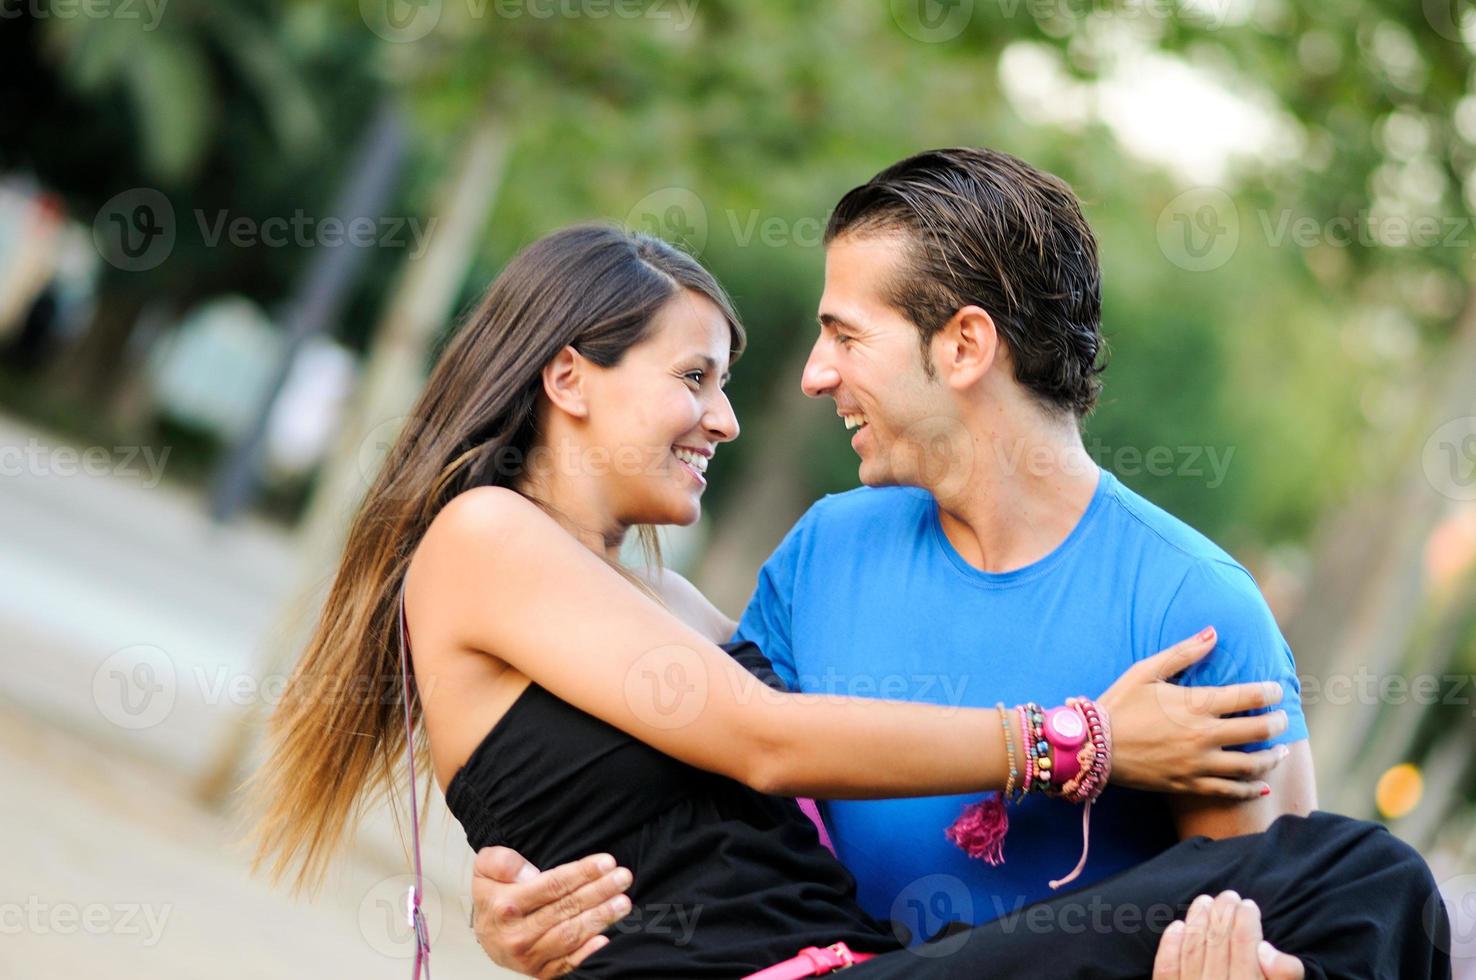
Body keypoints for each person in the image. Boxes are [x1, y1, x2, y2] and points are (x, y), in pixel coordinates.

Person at [251, 223, 1446, 978]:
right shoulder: (481, 533)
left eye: (729, 383)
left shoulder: (664, 604)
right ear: (568, 376)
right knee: (1370, 880)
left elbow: (785, 746)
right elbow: (766, 740)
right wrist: (1081, 738)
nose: (726, 416)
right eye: (694, 378)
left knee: (1351, 882)